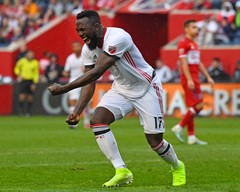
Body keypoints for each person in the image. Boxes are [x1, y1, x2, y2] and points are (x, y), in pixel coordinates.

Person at [48, 10, 186, 187]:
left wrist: (64, 88)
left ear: (97, 27)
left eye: (83, 30)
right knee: (97, 121)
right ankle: (121, 170)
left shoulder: (118, 37)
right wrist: (77, 111)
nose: (81, 34)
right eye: (78, 30)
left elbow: (97, 72)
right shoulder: (87, 49)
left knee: (155, 142)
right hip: (121, 89)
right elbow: (91, 80)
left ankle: (177, 166)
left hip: (146, 87)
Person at [171, 20, 215, 145]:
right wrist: (189, 78)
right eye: (194, 27)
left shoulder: (195, 44)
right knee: (199, 105)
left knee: (192, 108)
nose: (197, 30)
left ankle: (191, 137)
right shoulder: (183, 43)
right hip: (189, 78)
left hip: (195, 78)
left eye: (197, 27)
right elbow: (183, 62)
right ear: (186, 29)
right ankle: (179, 126)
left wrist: (208, 77)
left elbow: (198, 63)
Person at [62, 41, 91, 129]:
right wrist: (64, 73)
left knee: (85, 102)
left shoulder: (85, 56)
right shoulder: (70, 58)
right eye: (74, 46)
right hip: (73, 81)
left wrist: (85, 70)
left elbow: (90, 69)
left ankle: (86, 121)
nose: (76, 48)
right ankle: (73, 123)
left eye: (77, 46)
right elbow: (66, 71)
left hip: (84, 80)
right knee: (73, 102)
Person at [14, 50, 39, 116]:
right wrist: (19, 75)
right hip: (23, 80)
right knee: (22, 96)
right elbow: (16, 69)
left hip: (30, 81)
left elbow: (36, 73)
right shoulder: (22, 61)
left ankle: (28, 112)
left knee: (30, 97)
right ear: (26, 55)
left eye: (32, 54)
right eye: (29, 54)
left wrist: (34, 83)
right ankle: (20, 111)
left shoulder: (35, 63)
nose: (31, 56)